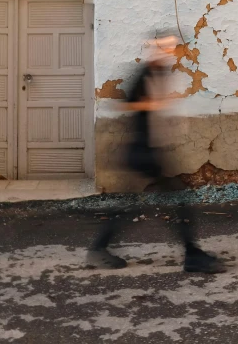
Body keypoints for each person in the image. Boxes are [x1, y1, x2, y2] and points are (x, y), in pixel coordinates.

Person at [86, 31, 224, 274]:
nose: (170, 51)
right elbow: (126, 103)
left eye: (172, 47)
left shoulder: (159, 72)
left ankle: (99, 249)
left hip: (151, 150)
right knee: (176, 202)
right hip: (143, 152)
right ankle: (192, 255)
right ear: (155, 48)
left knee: (136, 205)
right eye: (165, 47)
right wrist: (154, 104)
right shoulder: (145, 73)